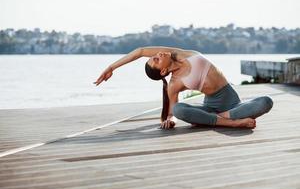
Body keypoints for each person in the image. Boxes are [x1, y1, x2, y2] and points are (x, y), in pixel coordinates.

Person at [94, 46, 273, 129]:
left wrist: (112, 68)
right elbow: (173, 112)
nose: (157, 54)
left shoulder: (179, 54)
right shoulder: (174, 84)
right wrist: (170, 120)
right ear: (163, 70)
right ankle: (231, 123)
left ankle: (213, 119)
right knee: (180, 109)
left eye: (155, 55)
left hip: (233, 103)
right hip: (212, 106)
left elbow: (140, 51)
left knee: (266, 101)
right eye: (156, 59)